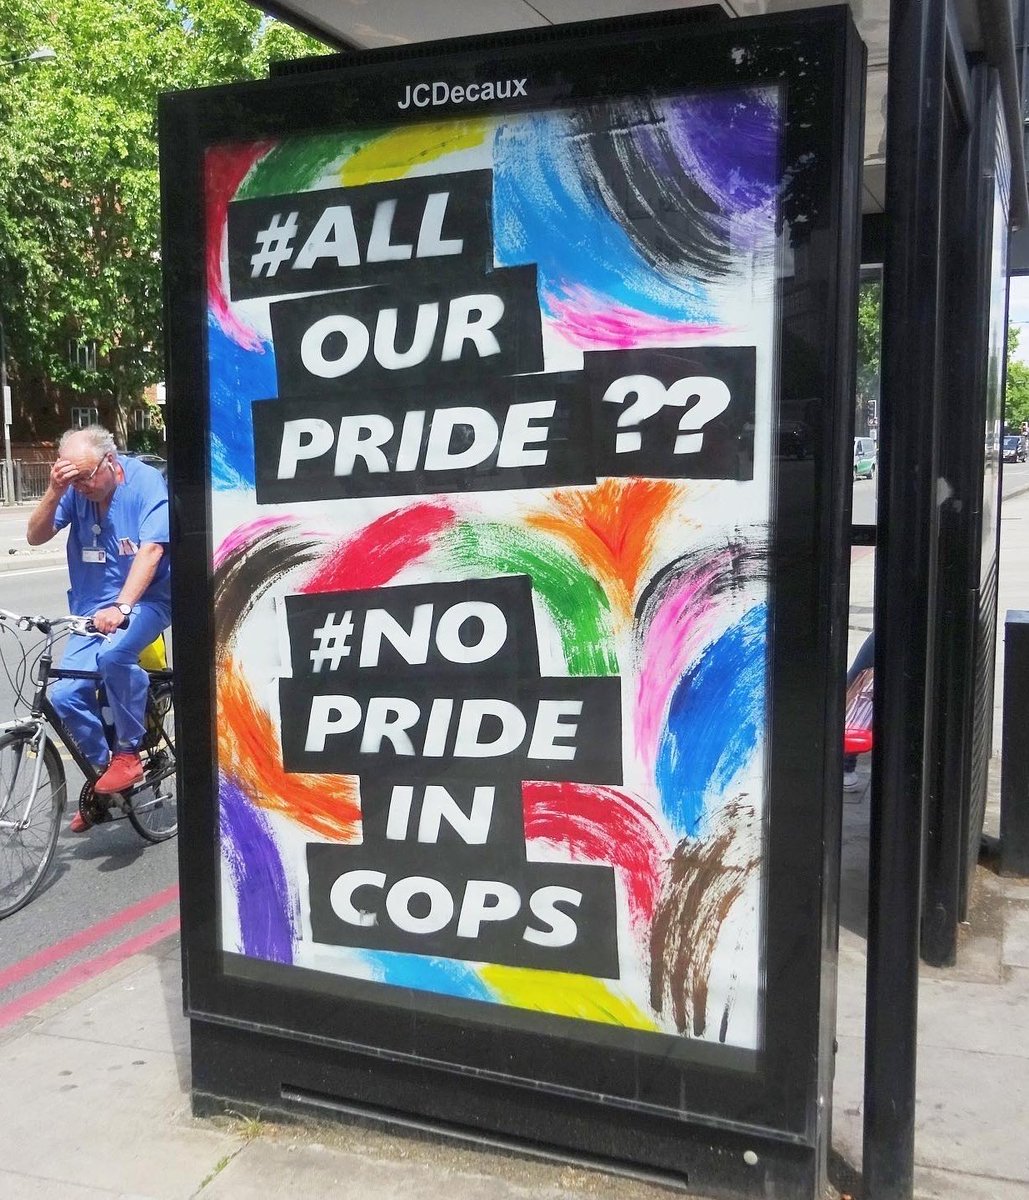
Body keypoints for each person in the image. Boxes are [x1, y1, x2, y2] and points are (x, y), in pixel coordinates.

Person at [26, 426, 171, 831]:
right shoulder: (73, 491)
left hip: (146, 600)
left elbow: (153, 549)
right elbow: (35, 537)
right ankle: (103, 777)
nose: (84, 486)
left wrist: (124, 605)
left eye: (89, 476)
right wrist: (55, 491)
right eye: (75, 479)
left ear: (111, 462)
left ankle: (128, 753)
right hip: (91, 609)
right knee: (66, 694)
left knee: (114, 654)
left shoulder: (144, 482)